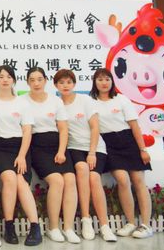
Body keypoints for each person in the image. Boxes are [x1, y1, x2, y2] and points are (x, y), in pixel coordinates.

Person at [54, 69, 116, 242]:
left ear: (74, 84)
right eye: (61, 83)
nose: (65, 86)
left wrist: (92, 152)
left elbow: (95, 127)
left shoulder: (85, 100)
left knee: (94, 178)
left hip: (95, 147)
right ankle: (86, 219)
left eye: (69, 82)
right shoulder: (56, 104)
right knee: (81, 169)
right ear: (56, 85)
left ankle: (104, 225)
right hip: (74, 147)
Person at [91, 68, 153, 239]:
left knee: (139, 181)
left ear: (112, 81)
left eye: (107, 79)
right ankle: (131, 222)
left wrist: (143, 149)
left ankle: (146, 225)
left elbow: (134, 126)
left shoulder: (122, 99)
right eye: (100, 79)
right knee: (123, 180)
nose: (104, 83)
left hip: (128, 141)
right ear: (94, 82)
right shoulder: (91, 102)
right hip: (108, 145)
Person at [25, 67, 79, 243]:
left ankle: (68, 228)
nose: (36, 83)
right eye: (32, 80)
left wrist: (62, 151)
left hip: (57, 145)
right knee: (57, 180)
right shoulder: (22, 101)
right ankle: (53, 228)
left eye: (39, 79)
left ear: (45, 81)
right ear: (27, 82)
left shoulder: (55, 101)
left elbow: (63, 129)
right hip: (37, 146)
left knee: (70, 179)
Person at [0, 65, 41, 246]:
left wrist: (21, 156)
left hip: (20, 148)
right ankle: (9, 226)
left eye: (8, 76)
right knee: (10, 179)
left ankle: (35, 227)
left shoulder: (22, 103)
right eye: (1, 76)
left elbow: (27, 131)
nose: (5, 80)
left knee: (21, 182)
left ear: (14, 80)